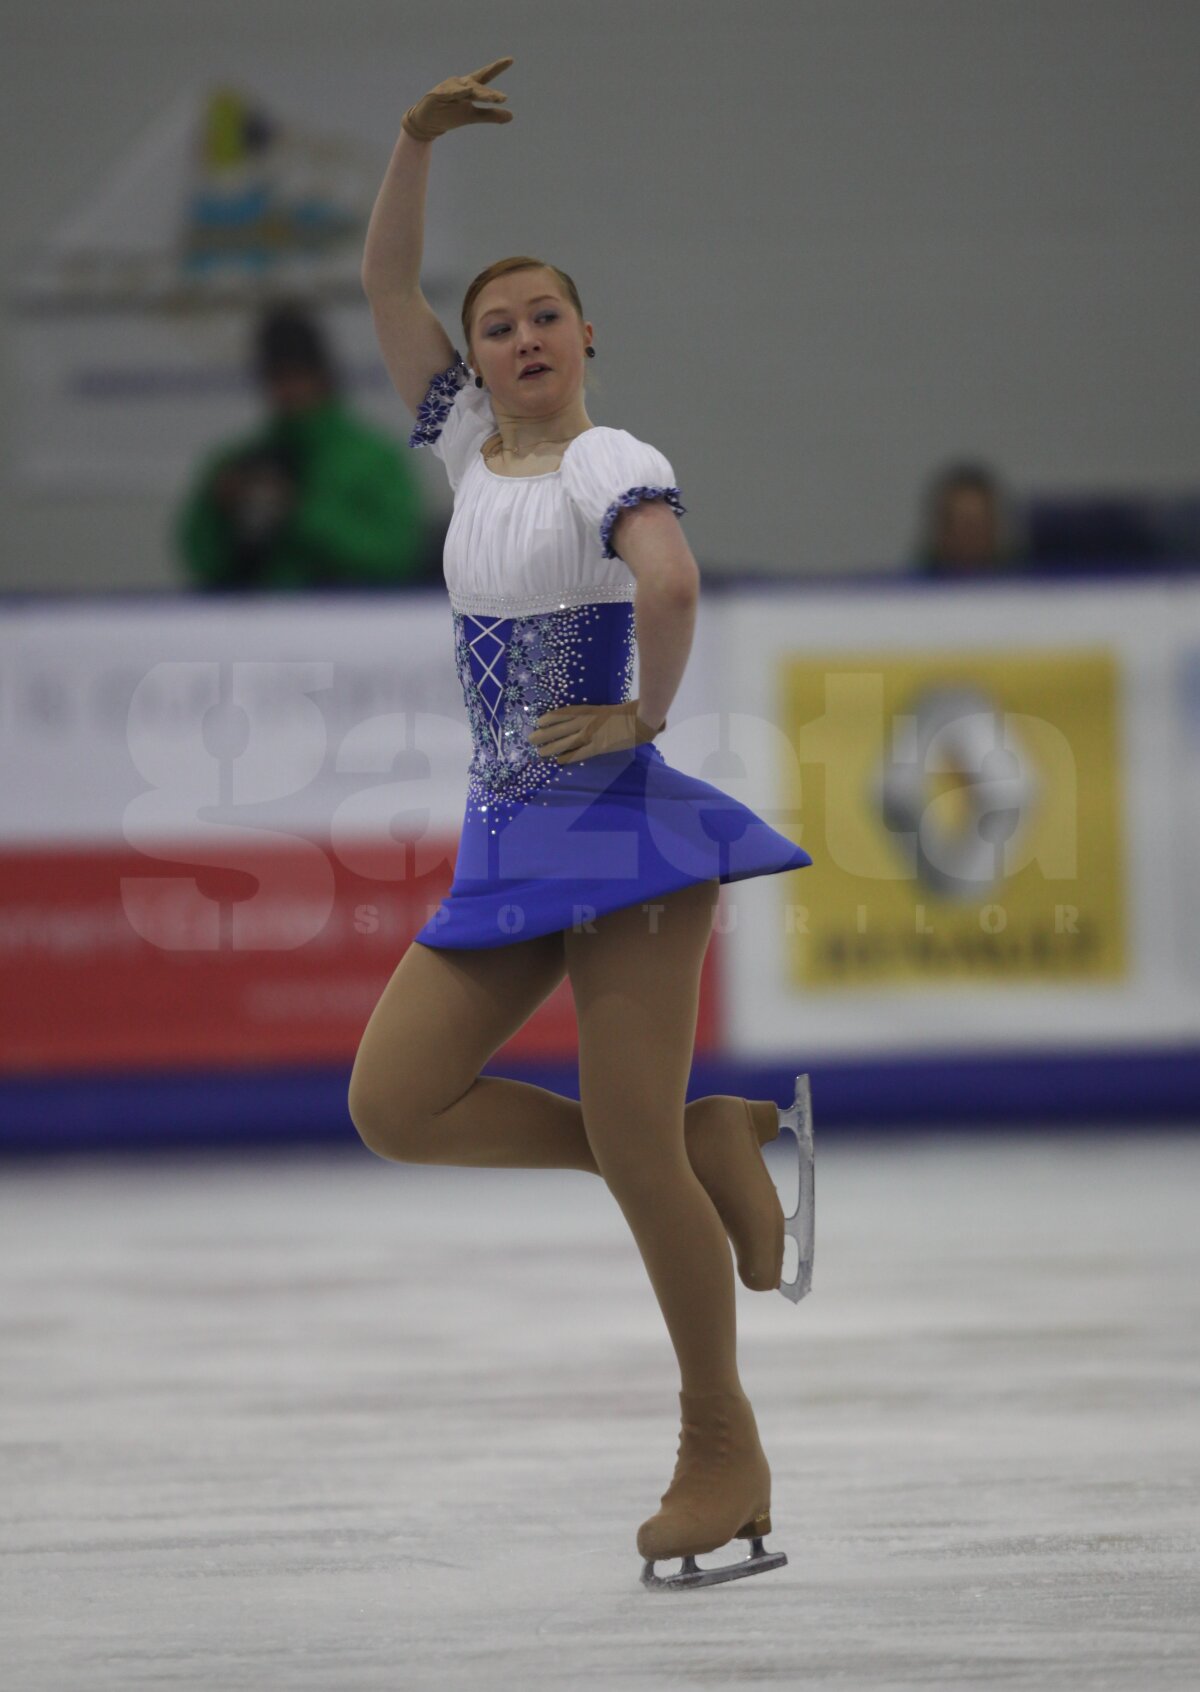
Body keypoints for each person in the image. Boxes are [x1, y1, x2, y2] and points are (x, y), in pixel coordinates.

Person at [348, 57, 815, 1592]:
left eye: (547, 315)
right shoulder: (466, 454)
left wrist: (642, 717)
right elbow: (382, 276)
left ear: (588, 336)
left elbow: (670, 580)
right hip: (508, 836)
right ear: (472, 365)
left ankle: (720, 1446)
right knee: (395, 1101)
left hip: (620, 836)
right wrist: (414, 138)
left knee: (618, 1141)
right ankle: (696, 1144)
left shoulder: (613, 459)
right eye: (497, 326)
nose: (523, 337)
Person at [175, 302, 432, 591]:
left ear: (324, 376)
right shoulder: (235, 462)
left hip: (350, 622)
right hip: (250, 623)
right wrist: (218, 511)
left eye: (299, 375)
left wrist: (298, 512)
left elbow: (395, 556)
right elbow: (200, 563)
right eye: (276, 377)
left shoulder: (374, 459)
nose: (289, 390)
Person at [912, 459, 1022, 577]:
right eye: (961, 525)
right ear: (941, 528)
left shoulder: (1022, 587)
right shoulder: (911, 591)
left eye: (977, 526)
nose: (969, 536)